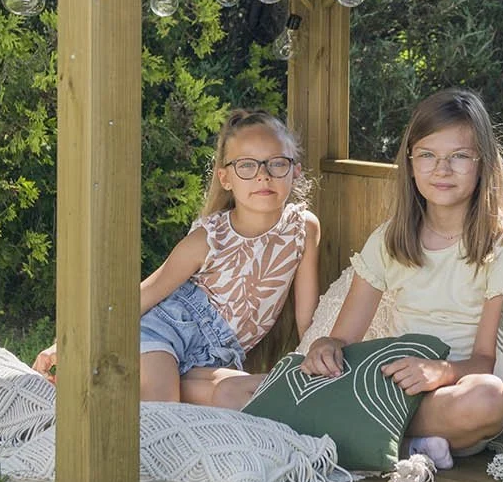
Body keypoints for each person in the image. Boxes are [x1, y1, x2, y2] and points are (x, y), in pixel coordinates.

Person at [32, 109, 321, 406]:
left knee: (255, 395)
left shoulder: (303, 228)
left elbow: (306, 316)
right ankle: (106, 378)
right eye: (247, 166)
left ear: (295, 170)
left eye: (277, 163)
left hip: (218, 354)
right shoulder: (209, 238)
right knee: (163, 402)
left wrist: (313, 359)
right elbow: (149, 291)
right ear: (226, 178)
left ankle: (107, 382)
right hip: (168, 329)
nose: (263, 175)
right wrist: (70, 344)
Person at [300, 87, 503, 469]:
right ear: (410, 162)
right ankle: (407, 443)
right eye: (428, 155)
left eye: (460, 156)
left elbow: (486, 360)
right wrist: (325, 345)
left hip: (449, 400)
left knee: (491, 397)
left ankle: (371, 434)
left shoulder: (499, 246)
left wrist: (441, 371)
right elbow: (344, 337)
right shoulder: (389, 239)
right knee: (248, 388)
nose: (442, 169)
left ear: (483, 163)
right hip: (387, 389)